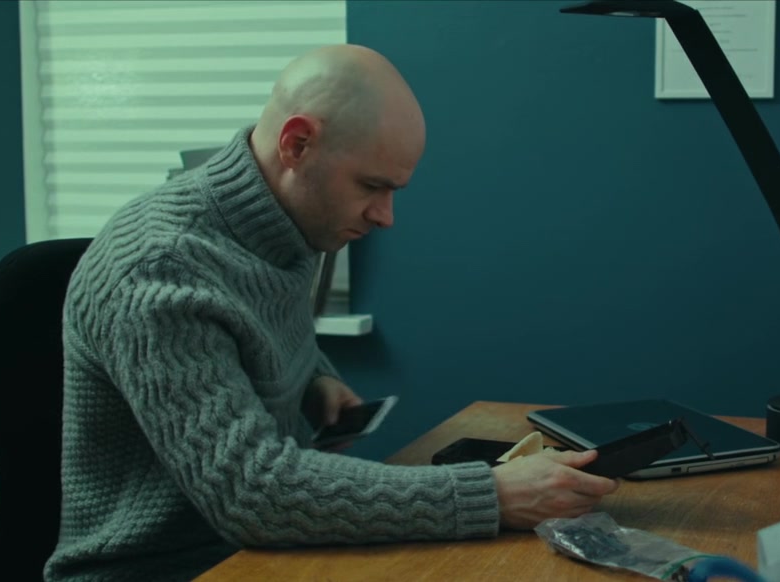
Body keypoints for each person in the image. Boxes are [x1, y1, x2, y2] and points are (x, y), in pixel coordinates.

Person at [44, 44, 620, 581]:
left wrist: (313, 377)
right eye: (371, 186)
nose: (385, 216)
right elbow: (254, 492)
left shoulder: (295, 221)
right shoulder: (160, 269)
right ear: (297, 145)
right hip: (162, 567)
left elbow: (251, 326)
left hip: (261, 552)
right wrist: (493, 495)